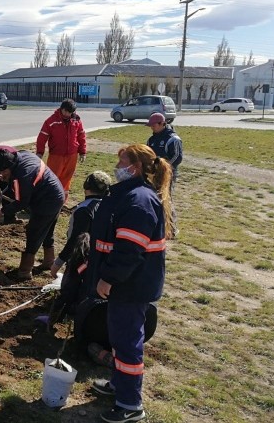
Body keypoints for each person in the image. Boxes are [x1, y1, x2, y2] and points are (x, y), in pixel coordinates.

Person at [89, 144, 172, 423]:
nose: (117, 166)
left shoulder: (139, 201)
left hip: (130, 284)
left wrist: (108, 278)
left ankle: (130, 403)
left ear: (134, 167)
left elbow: (129, 251)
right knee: (119, 337)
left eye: (121, 161)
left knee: (127, 342)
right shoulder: (128, 194)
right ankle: (119, 384)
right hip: (126, 283)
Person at [0, 149, 65, 280]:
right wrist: (6, 177)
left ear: (11, 166)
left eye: (4, 171)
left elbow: (21, 203)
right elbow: (16, 183)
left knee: (34, 231)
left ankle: (24, 272)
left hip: (48, 200)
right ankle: (49, 261)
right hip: (55, 193)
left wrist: (2, 211)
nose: (2, 174)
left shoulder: (23, 175)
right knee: (46, 230)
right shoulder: (21, 155)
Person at [49, 171, 112, 277]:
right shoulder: (110, 207)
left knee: (72, 287)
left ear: (86, 187)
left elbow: (76, 240)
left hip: (83, 262)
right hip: (103, 261)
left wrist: (58, 263)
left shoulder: (84, 210)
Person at [35, 98, 87, 199]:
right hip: (56, 156)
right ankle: (48, 200)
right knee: (52, 178)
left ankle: (62, 200)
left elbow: (81, 136)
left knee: (66, 179)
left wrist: (82, 152)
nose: (68, 114)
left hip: (72, 155)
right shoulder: (51, 121)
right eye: (67, 112)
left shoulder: (76, 120)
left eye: (71, 112)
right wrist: (40, 152)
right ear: (62, 109)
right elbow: (42, 137)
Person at [146, 112, 182, 236]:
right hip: (152, 174)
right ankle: (156, 228)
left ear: (162, 124)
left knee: (166, 199)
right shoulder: (151, 139)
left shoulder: (173, 139)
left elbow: (177, 157)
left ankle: (171, 229)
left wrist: (163, 168)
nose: (152, 127)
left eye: (154, 125)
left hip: (168, 174)